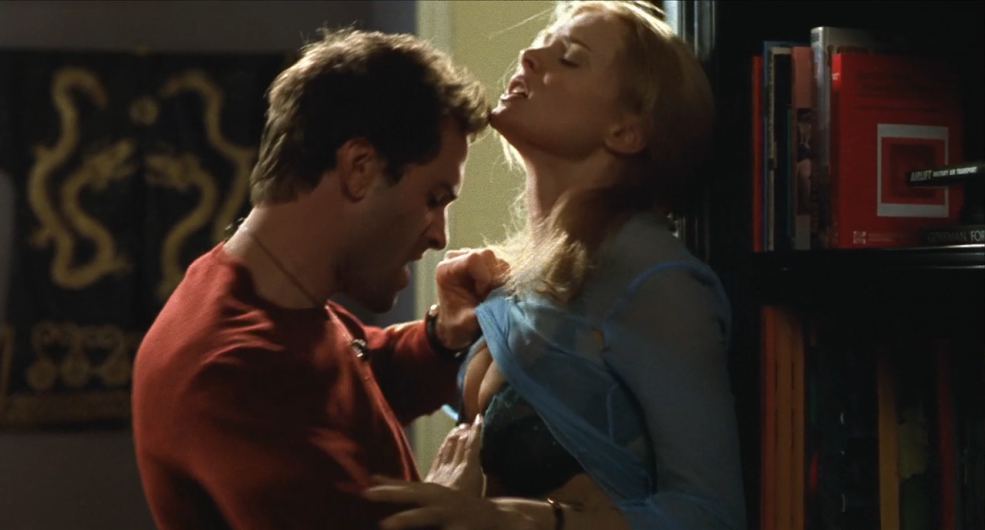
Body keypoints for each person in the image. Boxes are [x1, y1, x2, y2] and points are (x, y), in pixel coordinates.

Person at [365, 2, 747, 529]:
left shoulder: (654, 278)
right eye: (542, 41)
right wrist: (447, 335)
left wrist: (518, 521)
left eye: (569, 57)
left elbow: (712, 515)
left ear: (627, 131)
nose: (528, 55)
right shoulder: (520, 271)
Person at [131, 28, 504, 529]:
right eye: (433, 199)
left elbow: (353, 376)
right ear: (359, 168)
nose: (439, 235)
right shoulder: (231, 371)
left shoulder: (271, 297)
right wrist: (450, 510)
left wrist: (442, 337)